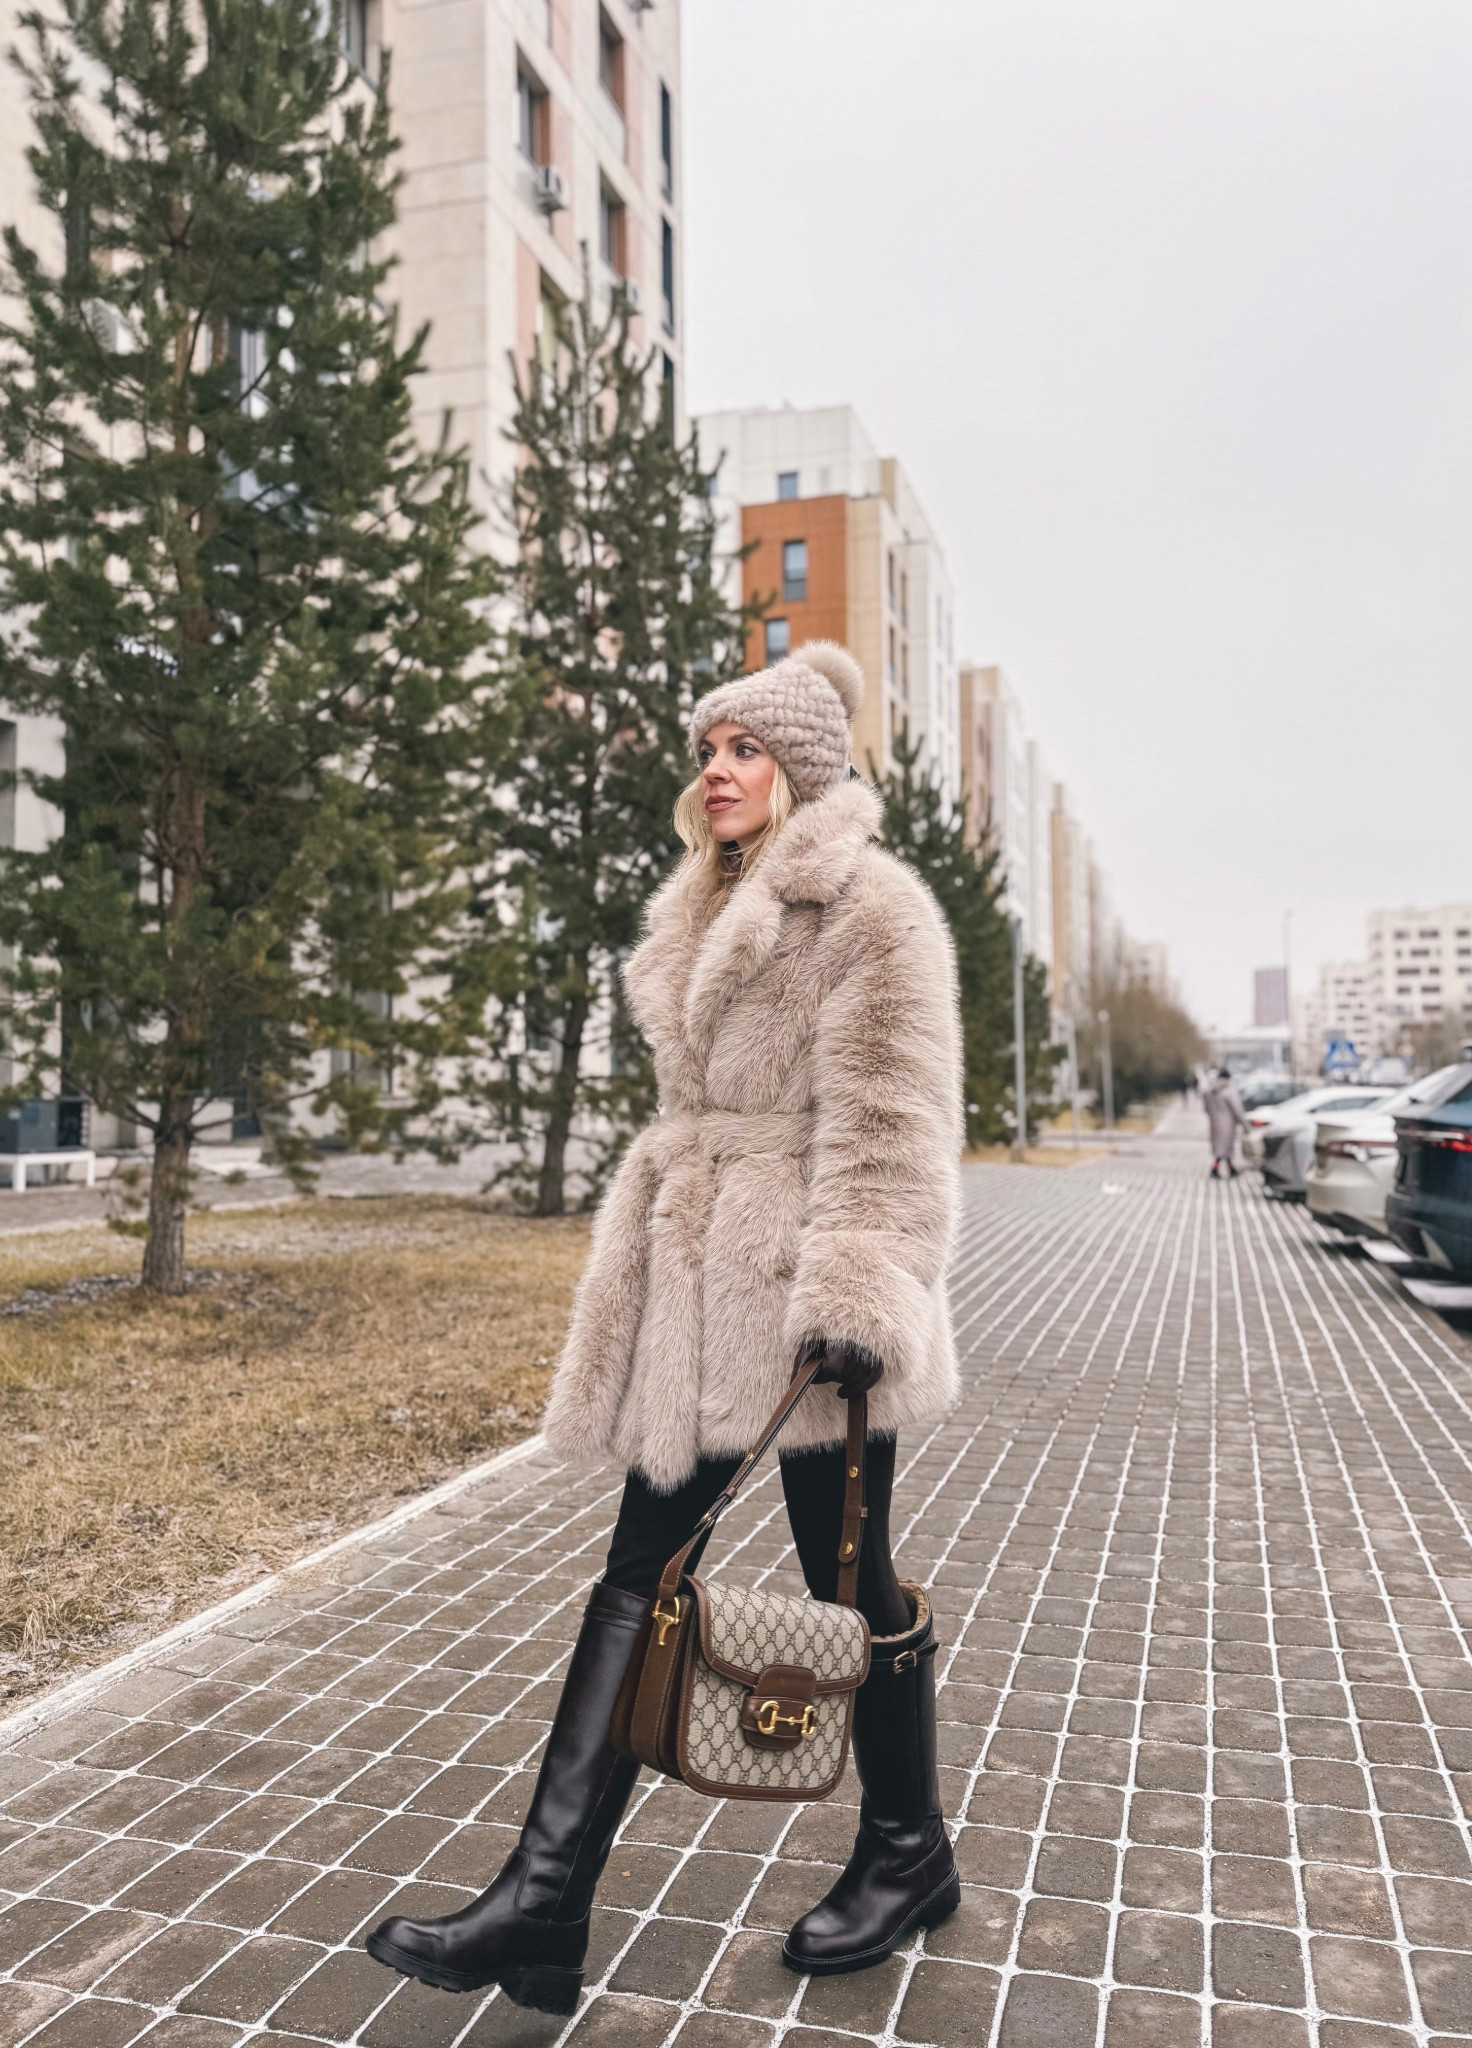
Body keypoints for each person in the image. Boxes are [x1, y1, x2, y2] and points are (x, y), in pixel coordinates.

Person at [366, 642, 964, 2009]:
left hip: (807, 1298)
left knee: (847, 1582)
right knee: (647, 1568)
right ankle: (545, 1905)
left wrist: (857, 1291)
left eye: (745, 747)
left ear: (799, 767)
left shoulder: (872, 909)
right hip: (701, 1288)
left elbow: (894, 1117)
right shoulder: (705, 902)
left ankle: (901, 1849)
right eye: (709, 747)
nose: (717, 768)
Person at [1203, 1066, 1249, 1177]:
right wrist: (1246, 1126)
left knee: (1221, 1148)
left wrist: (1214, 1116)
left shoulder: (1210, 1092)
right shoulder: (1229, 1092)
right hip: (1228, 1124)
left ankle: (1229, 1169)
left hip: (1215, 1124)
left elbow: (1206, 1108)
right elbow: (1238, 1110)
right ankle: (1218, 1169)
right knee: (1226, 1147)